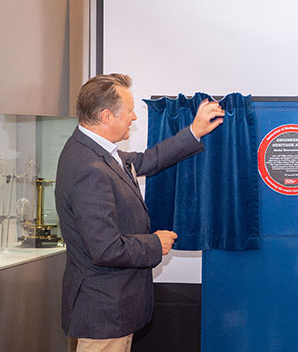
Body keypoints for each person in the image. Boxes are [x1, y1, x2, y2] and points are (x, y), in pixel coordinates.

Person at [55, 73, 224, 351]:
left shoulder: (98, 151)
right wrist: (155, 243)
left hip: (112, 311)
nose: (134, 117)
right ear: (107, 116)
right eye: (129, 110)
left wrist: (194, 131)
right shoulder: (89, 168)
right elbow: (105, 249)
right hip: (104, 314)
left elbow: (147, 160)